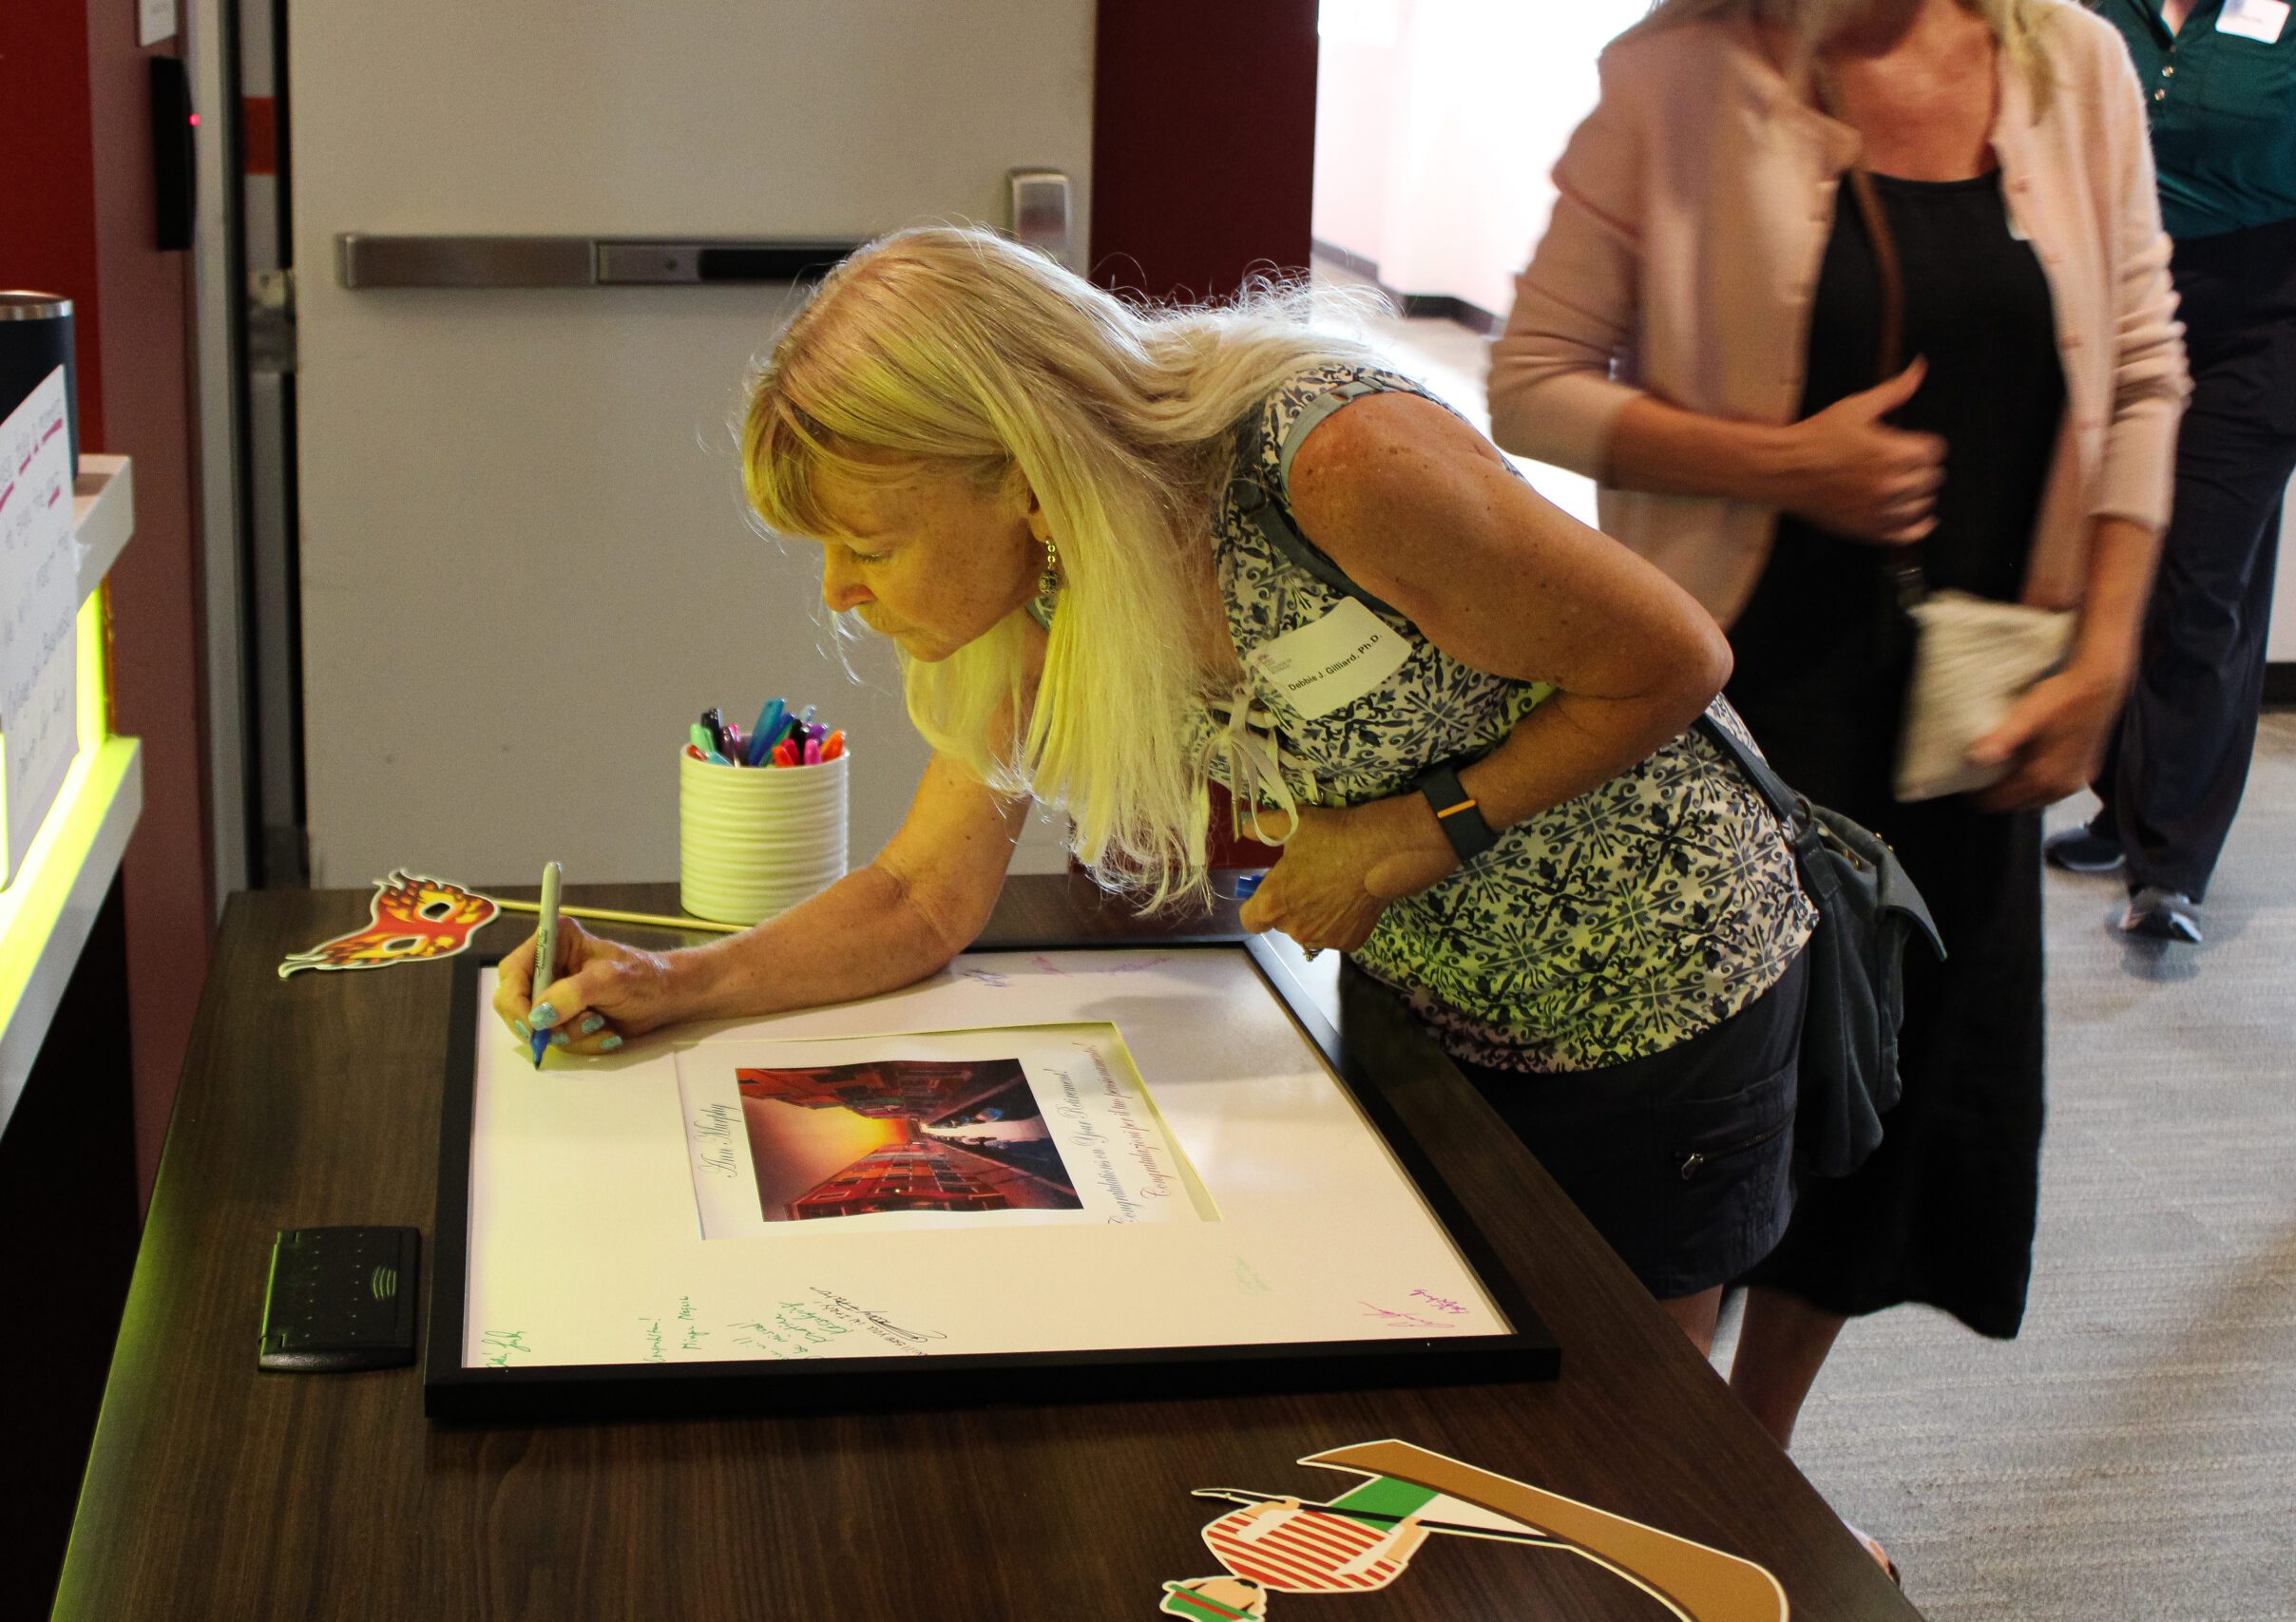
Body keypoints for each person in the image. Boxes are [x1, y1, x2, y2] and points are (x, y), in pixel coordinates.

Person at [495, 225, 1819, 1353]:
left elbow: (1673, 659)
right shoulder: (1053, 567)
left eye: (867, 542)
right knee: (1473, 1401)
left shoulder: (1332, 465)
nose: (841, 591)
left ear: (1019, 474)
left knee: (1634, 1425)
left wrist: (1413, 831)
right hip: (1424, 994)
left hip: (1657, 977)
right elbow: (918, 892)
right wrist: (678, 984)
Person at [1489, 0, 2190, 1474]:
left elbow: (2140, 371)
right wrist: (1782, 466)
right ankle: (1657, 1475)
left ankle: (1751, 1467)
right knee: (1714, 1115)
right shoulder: (1677, 76)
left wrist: (2108, 652)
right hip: (1737, 711)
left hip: (1971, 698)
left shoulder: (2074, 66)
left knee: (1902, 1097)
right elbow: (1532, 380)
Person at [2043, 0, 2296, 945]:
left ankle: (2170, 866)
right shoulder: (2105, 10)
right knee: (2117, 566)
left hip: (2262, 319)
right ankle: (2120, 806)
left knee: (2201, 587)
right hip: (2112, 300)